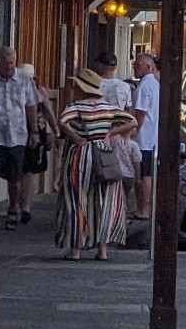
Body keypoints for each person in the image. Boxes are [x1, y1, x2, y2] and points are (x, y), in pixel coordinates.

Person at [56, 68, 139, 262]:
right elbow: (132, 121)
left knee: (77, 200)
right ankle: (102, 251)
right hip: (104, 154)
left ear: (81, 88)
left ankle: (76, 250)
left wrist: (75, 136)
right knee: (104, 201)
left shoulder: (76, 106)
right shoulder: (107, 107)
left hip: (80, 155)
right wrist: (110, 133)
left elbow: (62, 121)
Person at [0, 47, 49, 230]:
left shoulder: (24, 79)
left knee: (14, 178)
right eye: (5, 63)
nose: (9, 67)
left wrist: (35, 132)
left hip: (17, 136)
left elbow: (31, 106)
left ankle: (13, 209)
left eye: (12, 63)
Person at [131, 51, 161, 222]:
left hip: (144, 137)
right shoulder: (154, 84)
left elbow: (140, 112)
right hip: (152, 135)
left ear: (149, 67)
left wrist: (135, 130)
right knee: (146, 172)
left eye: (138, 65)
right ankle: (144, 207)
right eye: (135, 64)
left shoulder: (145, 85)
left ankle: (144, 208)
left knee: (144, 174)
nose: (135, 67)